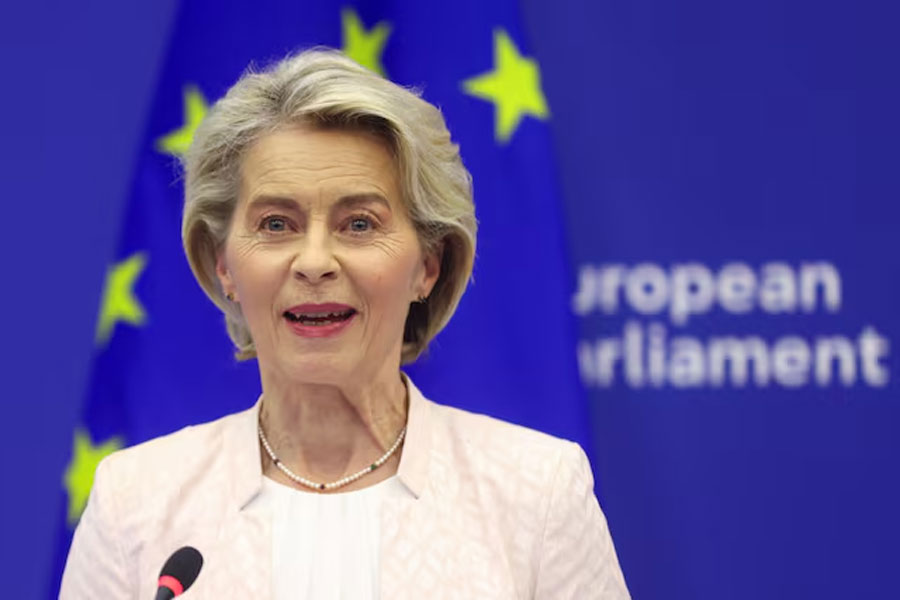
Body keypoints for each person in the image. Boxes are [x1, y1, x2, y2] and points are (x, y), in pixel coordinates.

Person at [60, 47, 630, 599]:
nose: (314, 262)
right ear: (222, 264)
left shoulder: (536, 491)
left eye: (358, 224)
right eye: (276, 224)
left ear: (426, 267)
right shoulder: (137, 502)